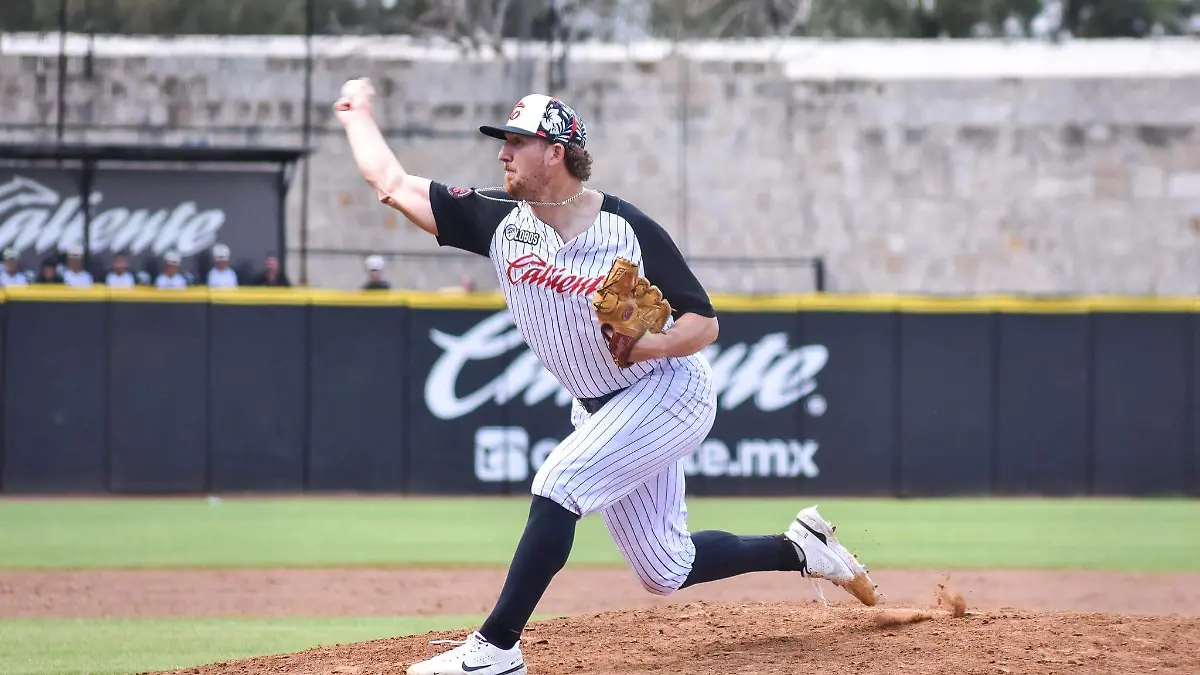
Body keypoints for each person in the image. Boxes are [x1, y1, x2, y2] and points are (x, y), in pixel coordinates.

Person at [335, 79, 879, 675]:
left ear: (555, 152)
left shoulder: (627, 228)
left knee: (560, 481)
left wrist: (653, 345)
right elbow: (392, 184)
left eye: (516, 142)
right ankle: (800, 547)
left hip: (668, 391)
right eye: (503, 142)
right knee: (665, 569)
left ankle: (497, 648)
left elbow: (704, 323)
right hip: (598, 404)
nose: (503, 154)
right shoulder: (497, 220)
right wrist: (356, 114)